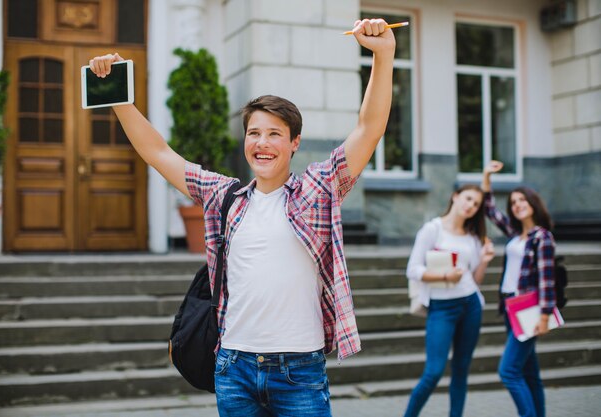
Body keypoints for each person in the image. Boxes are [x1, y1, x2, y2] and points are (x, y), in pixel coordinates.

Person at [89, 18, 396, 417]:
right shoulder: (224, 196)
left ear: (294, 142)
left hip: (299, 370)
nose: (262, 143)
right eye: (254, 133)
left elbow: (369, 129)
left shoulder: (316, 190)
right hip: (234, 367)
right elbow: (159, 153)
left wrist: (382, 56)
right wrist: (117, 95)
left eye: (274, 134)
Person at [404, 185, 495, 417]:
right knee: (433, 372)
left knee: (461, 369)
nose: (470, 206)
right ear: (455, 196)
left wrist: (484, 261)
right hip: (441, 308)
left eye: (475, 204)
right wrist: (444, 276)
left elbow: (475, 279)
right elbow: (413, 270)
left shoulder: (474, 237)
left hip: (470, 305)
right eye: (467, 199)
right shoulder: (432, 229)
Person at [482, 161, 556, 417]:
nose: (517, 205)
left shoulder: (542, 237)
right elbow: (489, 209)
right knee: (529, 373)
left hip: (530, 308)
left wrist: (545, 316)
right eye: (513, 202)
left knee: (509, 371)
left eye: (522, 200)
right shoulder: (516, 234)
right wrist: (486, 176)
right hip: (511, 306)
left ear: (533, 203)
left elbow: (547, 279)